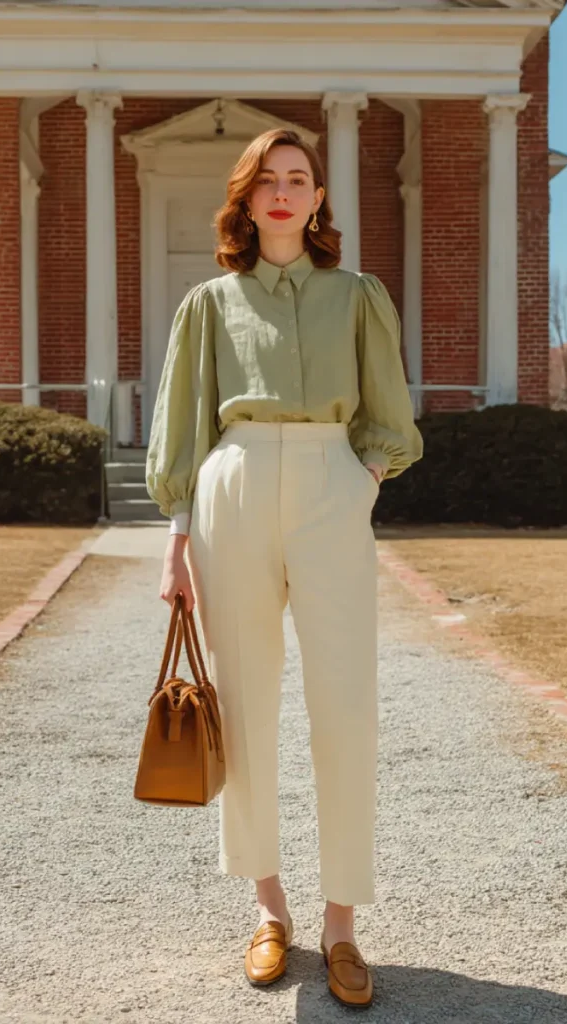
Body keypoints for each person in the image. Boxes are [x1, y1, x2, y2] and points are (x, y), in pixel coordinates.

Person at [145, 126, 423, 1008]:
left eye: (297, 179)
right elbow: (184, 427)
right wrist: (177, 542)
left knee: (345, 703)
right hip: (230, 486)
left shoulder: (357, 296)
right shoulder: (208, 304)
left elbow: (387, 409)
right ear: (246, 195)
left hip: (330, 485)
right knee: (244, 703)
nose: (282, 193)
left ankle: (341, 925)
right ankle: (270, 910)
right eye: (267, 179)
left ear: (316, 199)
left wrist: (360, 483)